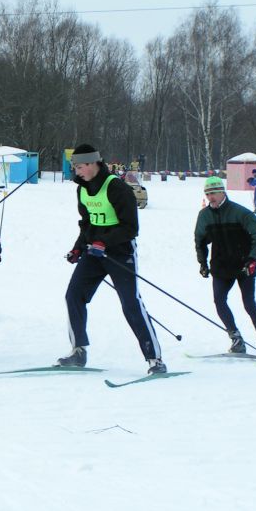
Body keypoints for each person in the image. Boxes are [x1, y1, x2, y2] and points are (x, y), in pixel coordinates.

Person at [58, 143, 165, 374]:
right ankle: (78, 351)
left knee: (130, 304)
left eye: (78, 167)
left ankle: (154, 359)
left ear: (92, 163)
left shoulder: (117, 188)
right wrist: (78, 248)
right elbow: (86, 223)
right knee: (73, 295)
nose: (76, 171)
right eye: (74, 167)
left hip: (120, 252)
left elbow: (130, 228)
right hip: (93, 252)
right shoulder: (82, 189)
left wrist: (103, 242)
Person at [195, 176, 256, 359]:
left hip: (244, 266)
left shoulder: (241, 213)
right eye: (207, 194)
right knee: (219, 301)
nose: (210, 197)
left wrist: (252, 260)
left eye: (213, 193)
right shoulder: (204, 216)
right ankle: (236, 339)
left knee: (249, 304)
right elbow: (200, 240)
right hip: (221, 267)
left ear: (222, 192)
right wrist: (203, 263)